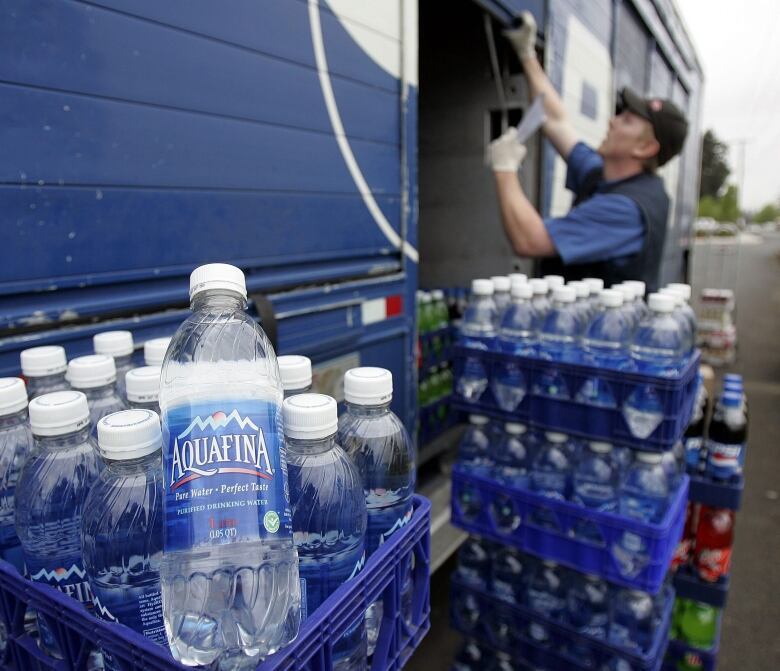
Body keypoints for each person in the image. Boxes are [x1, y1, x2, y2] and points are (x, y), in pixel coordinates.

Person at [488, 11, 689, 292]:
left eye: (627, 121)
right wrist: (526, 53)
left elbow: (529, 240)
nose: (612, 121)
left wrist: (505, 169)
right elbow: (555, 120)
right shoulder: (604, 174)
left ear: (645, 148)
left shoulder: (626, 210)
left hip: (601, 332)